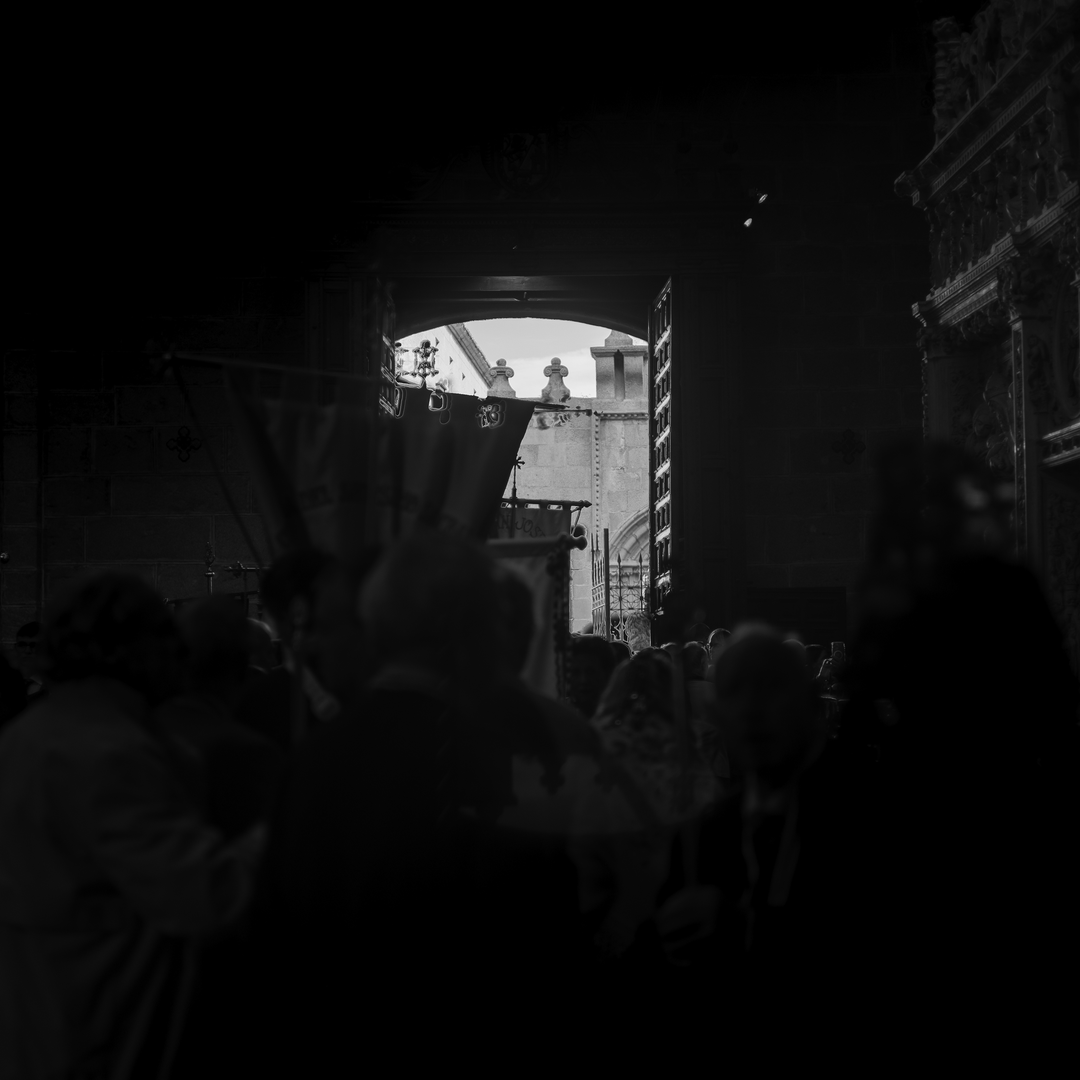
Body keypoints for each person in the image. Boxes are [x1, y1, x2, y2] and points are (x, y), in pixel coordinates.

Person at [0, 572, 265, 1080]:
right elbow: (207, 894)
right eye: (167, 638)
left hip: (44, 1027)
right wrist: (289, 821)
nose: (179, 655)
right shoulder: (108, 753)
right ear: (132, 650)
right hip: (104, 1035)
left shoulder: (30, 736)